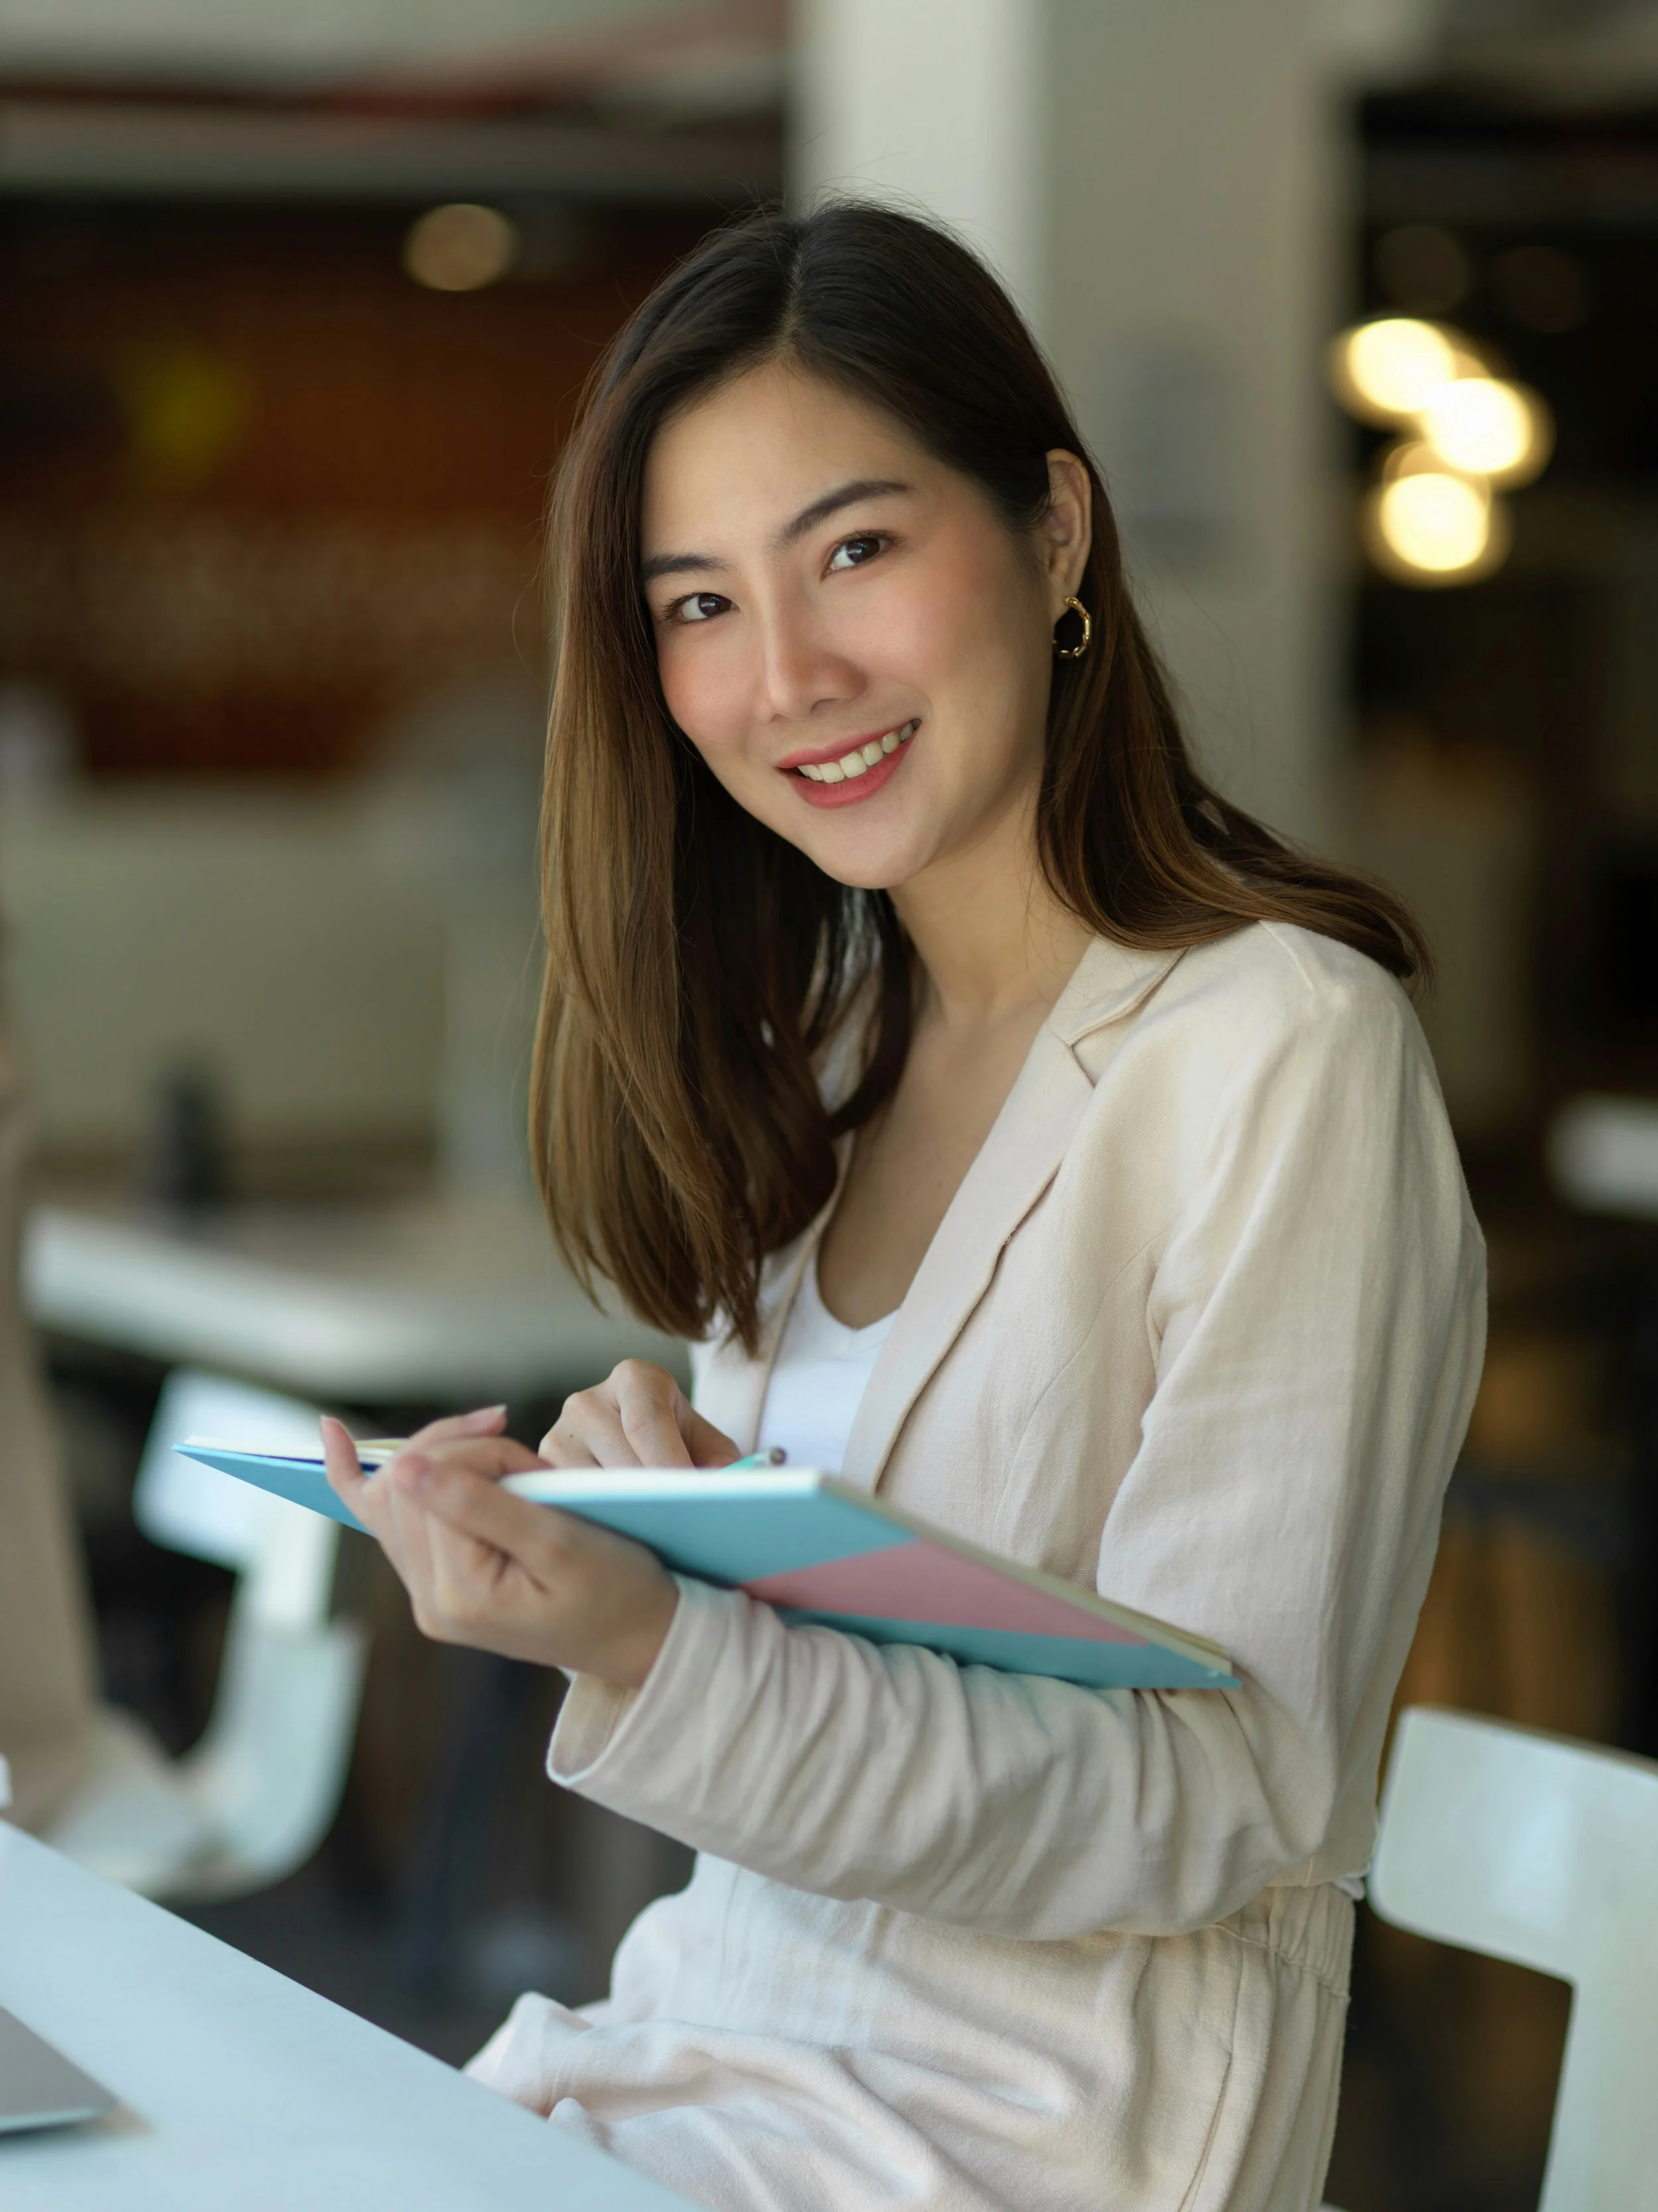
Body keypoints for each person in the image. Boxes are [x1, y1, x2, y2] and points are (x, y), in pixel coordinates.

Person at [321, 203, 1485, 2212]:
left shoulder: (1284, 1049)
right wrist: (674, 1535)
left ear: (1055, 532)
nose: (788, 675)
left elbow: (1232, 1793)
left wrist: (658, 1640)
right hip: (707, 2063)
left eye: (854, 550)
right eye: (698, 603)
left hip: (1036, 2146)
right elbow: (864, 1674)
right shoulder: (834, 1044)